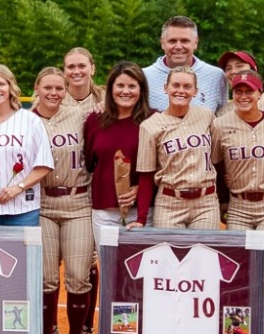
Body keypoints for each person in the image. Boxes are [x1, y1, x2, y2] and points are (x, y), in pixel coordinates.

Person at [212, 70, 264, 334]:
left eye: (249, 90)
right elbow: (216, 165)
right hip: (240, 206)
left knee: (263, 278)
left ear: (260, 93)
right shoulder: (221, 125)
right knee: (237, 277)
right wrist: (223, 199)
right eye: (239, 90)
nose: (244, 95)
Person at [31, 69, 95, 334]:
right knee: (46, 277)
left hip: (78, 200)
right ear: (37, 88)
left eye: (60, 87)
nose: (54, 92)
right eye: (48, 87)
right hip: (43, 202)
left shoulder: (81, 117)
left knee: (79, 276)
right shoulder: (26, 119)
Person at [134, 67, 219, 229]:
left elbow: (217, 158)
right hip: (169, 202)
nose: (181, 91)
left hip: (206, 202)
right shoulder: (149, 126)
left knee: (203, 253)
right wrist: (141, 218)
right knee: (170, 254)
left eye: (187, 86)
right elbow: (146, 175)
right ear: (166, 87)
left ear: (195, 91)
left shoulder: (206, 115)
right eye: (176, 85)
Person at [0, 66, 53, 227]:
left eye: (1, 83)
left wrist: (18, 187)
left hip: (23, 210)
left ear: (10, 87)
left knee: (24, 253)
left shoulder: (30, 120)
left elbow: (44, 164)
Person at [84, 62, 148, 240]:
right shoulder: (95, 120)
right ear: (110, 88)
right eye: (120, 85)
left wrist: (139, 189)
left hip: (143, 211)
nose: (125, 91)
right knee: (108, 265)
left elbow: (161, 167)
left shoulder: (153, 119)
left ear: (141, 90)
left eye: (132, 86)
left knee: (140, 266)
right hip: (104, 210)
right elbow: (90, 162)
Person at [144, 16, 226, 111]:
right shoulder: (144, 77)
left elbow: (223, 119)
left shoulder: (216, 76)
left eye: (184, 41)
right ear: (162, 43)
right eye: (172, 41)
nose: (178, 46)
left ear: (195, 43)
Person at [62, 48, 103, 113]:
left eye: (82, 66)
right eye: (71, 67)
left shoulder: (106, 99)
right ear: (64, 71)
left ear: (92, 69)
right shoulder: (54, 100)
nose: (76, 72)